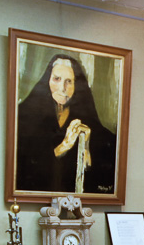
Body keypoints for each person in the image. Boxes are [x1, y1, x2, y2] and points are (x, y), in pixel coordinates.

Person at [15, 54, 118, 195]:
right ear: (47, 80)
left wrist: (86, 148)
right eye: (57, 79)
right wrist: (64, 146)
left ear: (77, 86)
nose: (62, 88)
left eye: (69, 81)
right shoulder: (24, 117)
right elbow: (23, 170)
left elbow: (105, 178)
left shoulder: (88, 123)